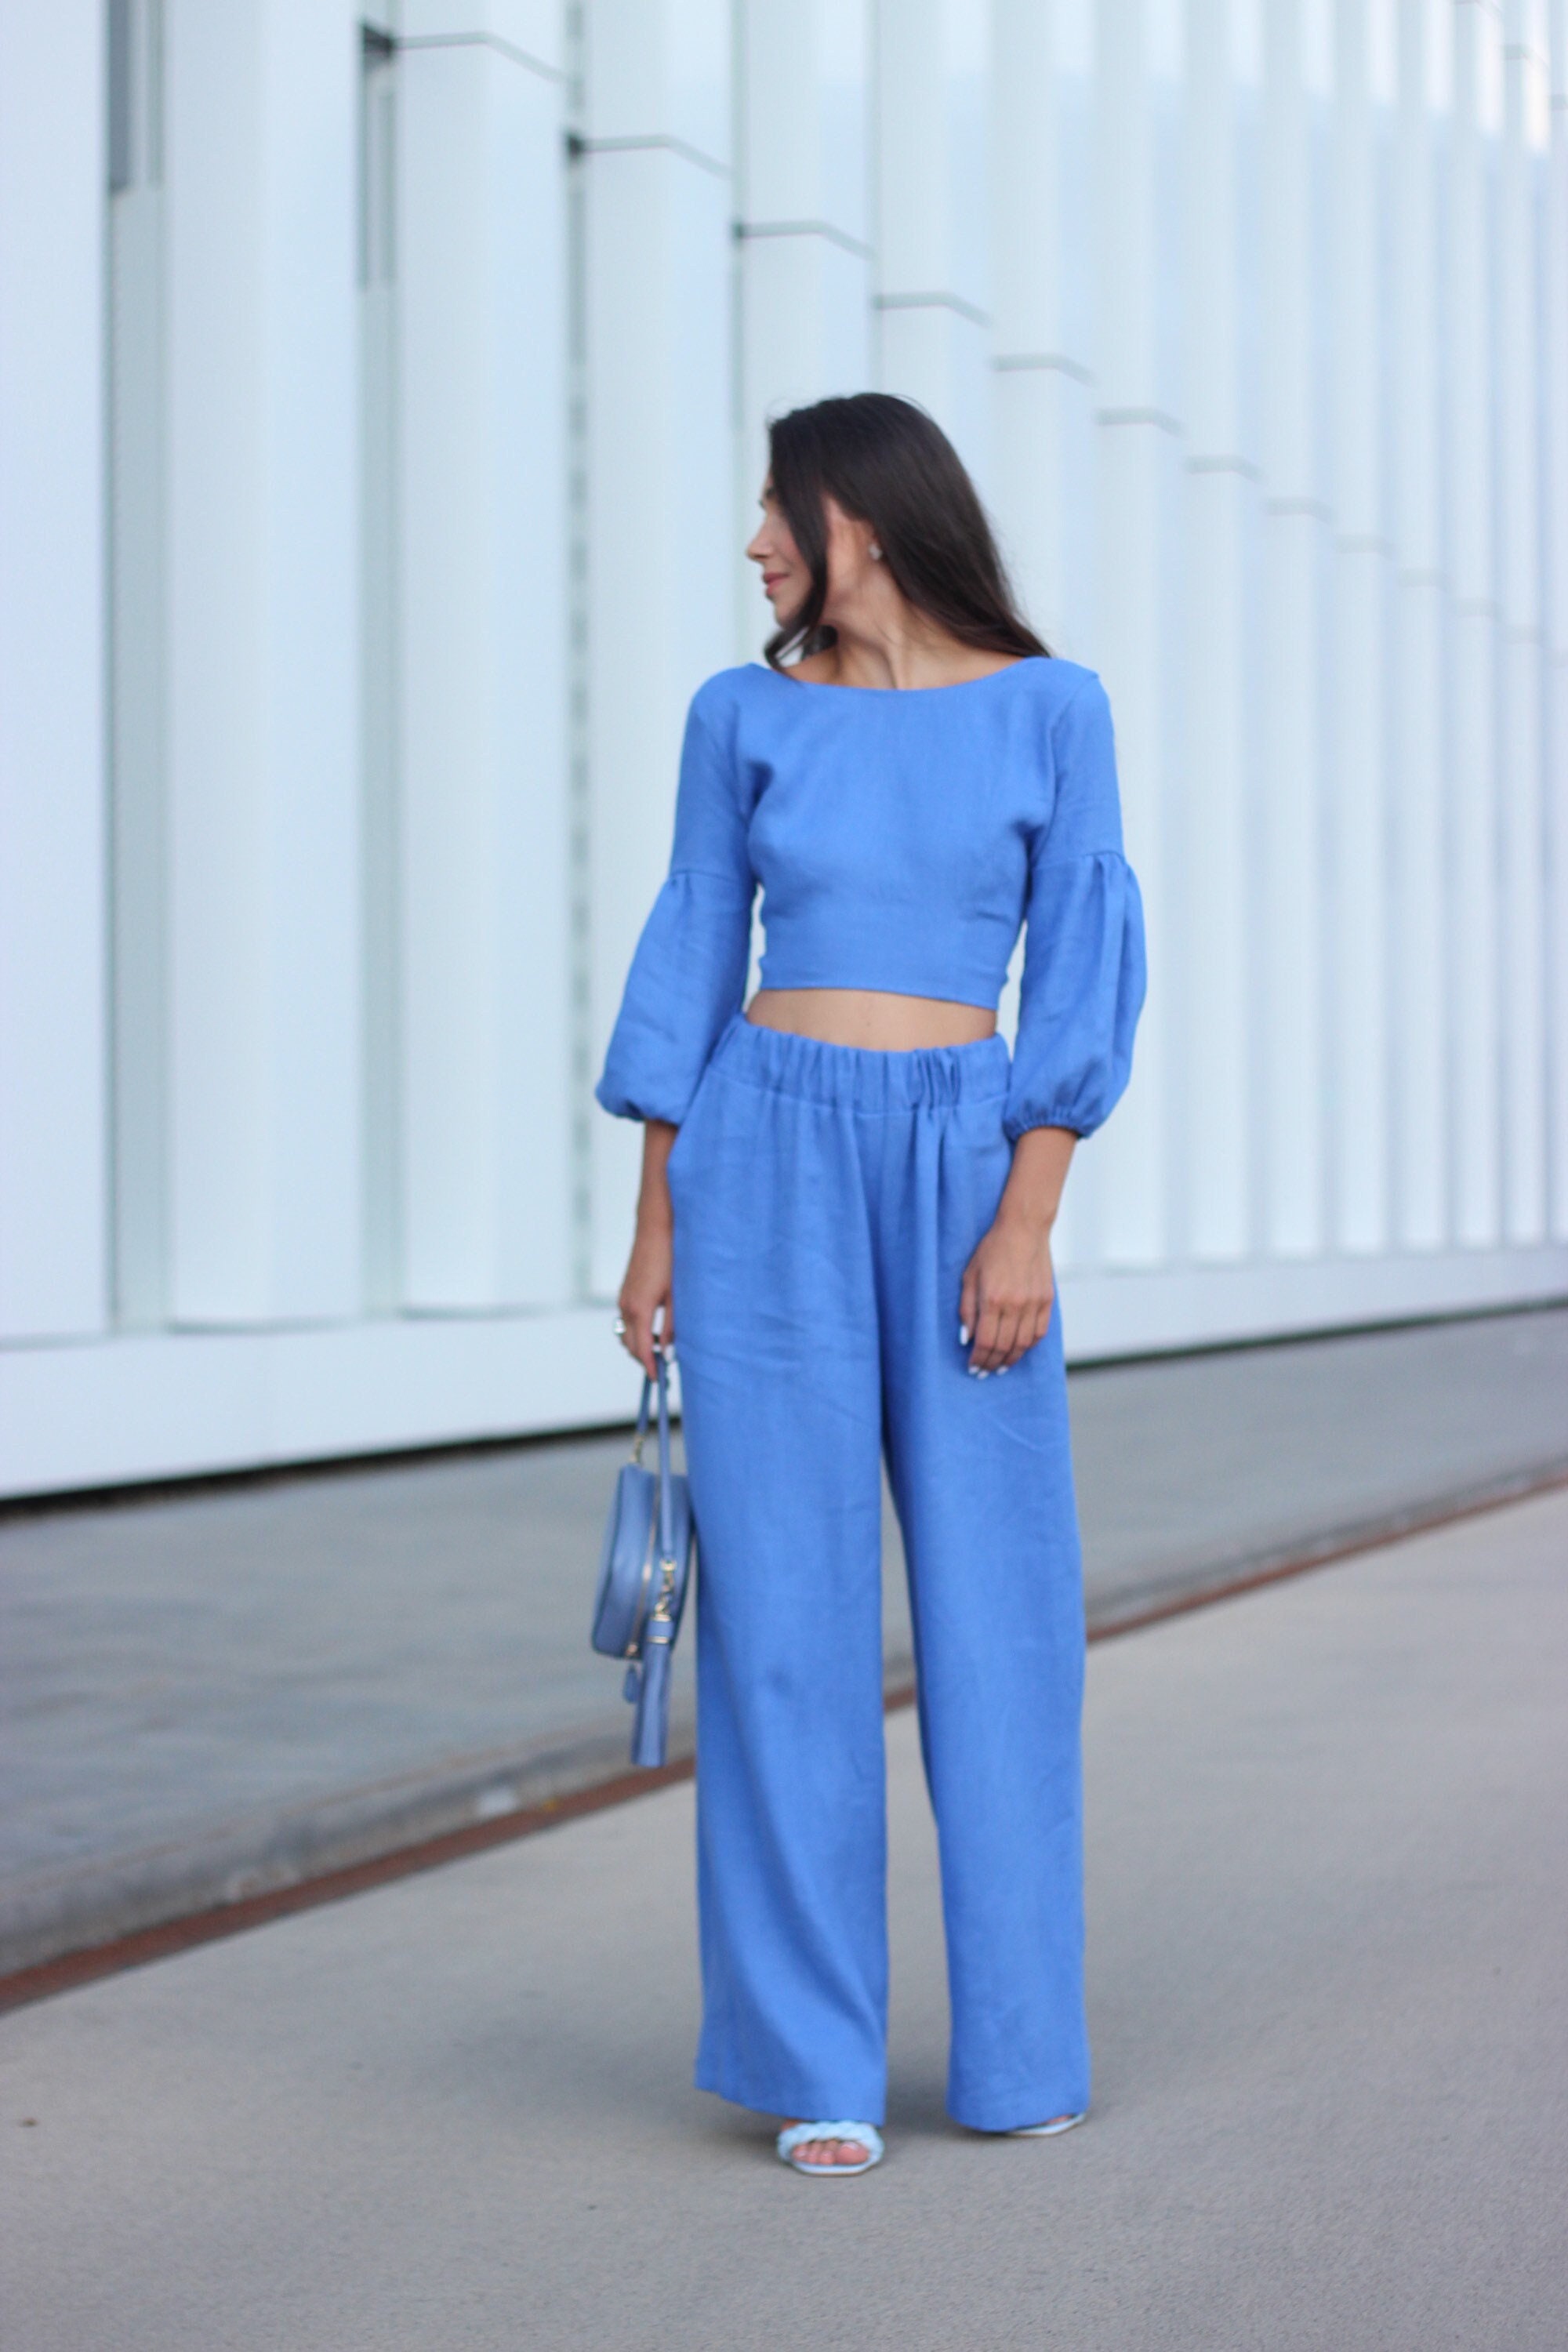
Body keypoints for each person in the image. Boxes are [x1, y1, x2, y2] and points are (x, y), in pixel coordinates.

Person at [596, 393, 1145, 2178]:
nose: (757, 538)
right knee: (783, 1619)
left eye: (783, 505)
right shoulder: (738, 714)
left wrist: (1028, 1216)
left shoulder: (1054, 710)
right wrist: (655, 1225)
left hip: (967, 1159)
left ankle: (1021, 2044)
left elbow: (1082, 957)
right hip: (764, 1153)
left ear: (873, 518)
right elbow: (694, 946)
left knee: (1003, 1618)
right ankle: (815, 2060)